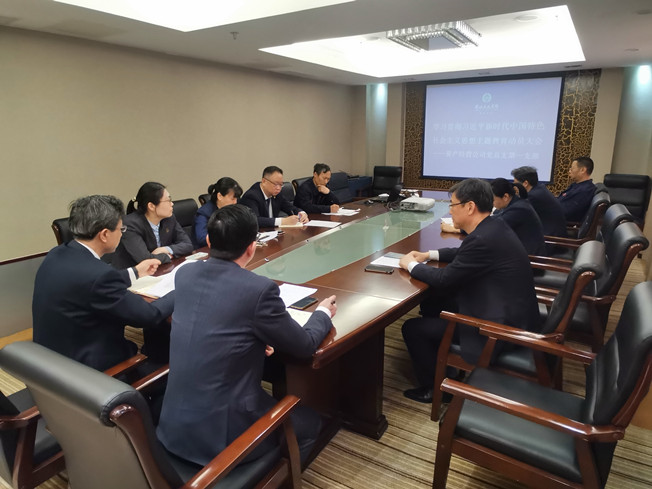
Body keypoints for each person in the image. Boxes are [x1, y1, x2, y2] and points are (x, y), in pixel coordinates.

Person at [157, 204, 335, 467]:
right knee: (310, 423)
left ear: (208, 241)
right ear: (251, 248)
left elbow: (209, 317)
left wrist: (253, 340)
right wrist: (322, 313)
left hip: (171, 425)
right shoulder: (259, 290)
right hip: (222, 439)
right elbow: (304, 345)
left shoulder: (185, 273)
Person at [398, 179, 539, 404]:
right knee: (434, 302)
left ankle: (436, 389)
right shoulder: (493, 226)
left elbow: (444, 279)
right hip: (510, 311)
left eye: (453, 205)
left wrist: (411, 265)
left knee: (412, 328)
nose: (450, 211)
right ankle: (444, 366)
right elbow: (463, 253)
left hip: (497, 329)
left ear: (470, 207)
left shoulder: (483, 238)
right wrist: (428, 255)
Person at [32, 195, 175, 371]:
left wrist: (136, 272)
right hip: (89, 371)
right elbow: (148, 315)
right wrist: (182, 287)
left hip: (50, 361)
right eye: (121, 229)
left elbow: (90, 283)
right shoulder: (99, 276)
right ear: (105, 234)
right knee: (162, 356)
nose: (122, 233)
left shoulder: (57, 254)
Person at [112, 182, 193, 268]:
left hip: (160, 269)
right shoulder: (130, 225)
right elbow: (145, 259)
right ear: (151, 206)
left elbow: (188, 245)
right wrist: (168, 256)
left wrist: (165, 249)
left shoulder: (169, 219)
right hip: (132, 273)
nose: (172, 204)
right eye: (168, 200)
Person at [491, 178, 546, 256]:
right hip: (520, 250)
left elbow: (496, 225)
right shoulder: (516, 203)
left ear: (505, 197)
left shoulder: (519, 209)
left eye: (493, 199)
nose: (491, 203)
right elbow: (499, 216)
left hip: (530, 257)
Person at [240, 166, 309, 228]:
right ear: (264, 181)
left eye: (281, 184)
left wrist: (302, 213)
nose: (278, 188)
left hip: (274, 232)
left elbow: (290, 207)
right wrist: (283, 221)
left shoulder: (277, 194)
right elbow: (255, 220)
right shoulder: (251, 196)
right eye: (275, 184)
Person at [511, 165, 567, 237]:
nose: (514, 187)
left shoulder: (533, 196)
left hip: (550, 237)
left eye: (515, 183)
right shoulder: (539, 189)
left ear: (525, 183)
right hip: (548, 231)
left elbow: (516, 214)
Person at [194, 177, 242, 247]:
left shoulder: (232, 209)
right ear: (219, 196)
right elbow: (202, 238)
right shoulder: (204, 213)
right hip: (207, 250)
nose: (235, 202)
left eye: (236, 199)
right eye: (232, 199)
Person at [557, 156, 596, 222]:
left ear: (582, 170)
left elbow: (566, 212)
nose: (569, 171)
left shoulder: (585, 191)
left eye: (572, 168)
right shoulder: (578, 185)